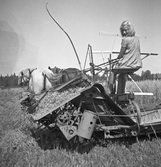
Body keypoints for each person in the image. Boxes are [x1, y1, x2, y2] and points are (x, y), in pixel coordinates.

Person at [109, 20, 142, 94]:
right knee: (121, 74)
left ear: (130, 30)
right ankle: (120, 94)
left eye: (125, 30)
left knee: (113, 71)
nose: (124, 32)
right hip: (137, 64)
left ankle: (111, 92)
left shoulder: (125, 40)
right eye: (122, 31)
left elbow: (121, 54)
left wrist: (118, 58)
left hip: (128, 64)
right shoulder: (136, 39)